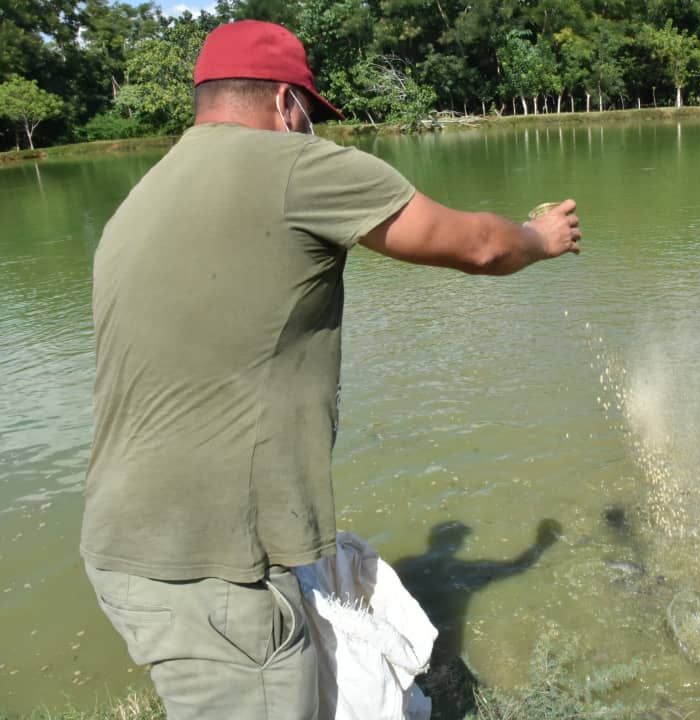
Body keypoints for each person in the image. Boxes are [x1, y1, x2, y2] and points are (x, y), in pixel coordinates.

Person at [80, 19, 580, 720]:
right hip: (208, 566)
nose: (312, 127)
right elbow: (476, 248)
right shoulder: (294, 167)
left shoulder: (144, 197)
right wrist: (541, 238)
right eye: (311, 114)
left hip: (131, 546)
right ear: (287, 104)